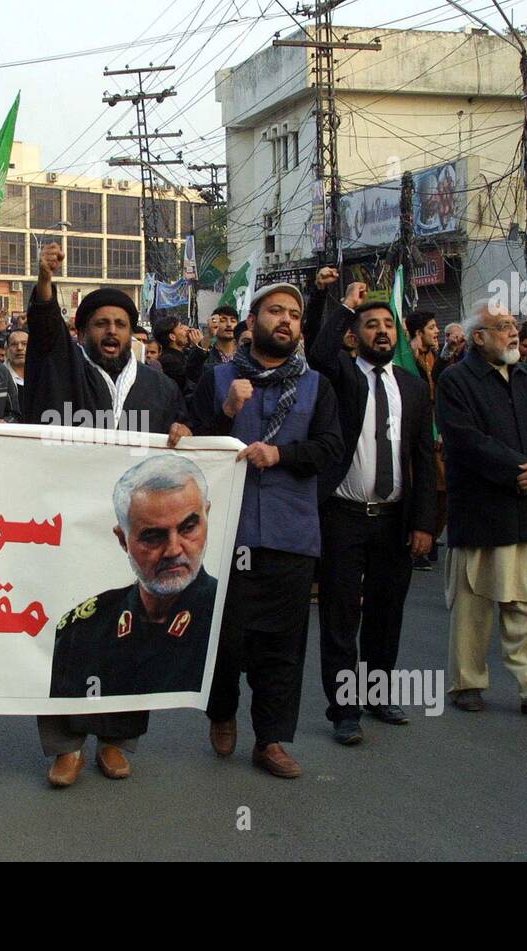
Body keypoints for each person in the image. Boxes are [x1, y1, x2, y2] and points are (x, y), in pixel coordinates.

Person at [23, 240, 187, 787]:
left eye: (120, 323)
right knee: (68, 634)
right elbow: (44, 327)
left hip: (134, 538)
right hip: (68, 528)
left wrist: (186, 433)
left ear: (133, 332)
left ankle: (117, 739)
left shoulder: (159, 386)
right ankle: (66, 744)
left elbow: (183, 437)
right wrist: (45, 282)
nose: (110, 332)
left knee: (132, 636)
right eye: (99, 323)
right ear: (83, 329)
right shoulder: (60, 364)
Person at [184, 281, 344, 778]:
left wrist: (283, 455)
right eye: (276, 311)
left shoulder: (317, 386)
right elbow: (186, 443)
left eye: (294, 315)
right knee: (227, 639)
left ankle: (271, 739)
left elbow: (331, 449)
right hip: (226, 533)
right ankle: (223, 709)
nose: (286, 321)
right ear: (252, 322)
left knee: (283, 645)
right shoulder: (219, 379)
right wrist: (225, 412)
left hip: (289, 534)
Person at [309, 286, 437, 745]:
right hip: (343, 516)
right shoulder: (340, 375)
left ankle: (378, 693)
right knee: (342, 617)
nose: (381, 332)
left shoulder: (413, 385)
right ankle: (344, 710)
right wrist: (343, 305)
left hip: (394, 518)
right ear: (354, 335)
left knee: (386, 612)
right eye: (370, 325)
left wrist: (425, 522)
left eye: (387, 325)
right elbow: (318, 350)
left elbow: (423, 459)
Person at [436, 300, 527, 719]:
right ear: (478, 337)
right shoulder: (456, 381)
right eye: (501, 327)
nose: (512, 333)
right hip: (481, 511)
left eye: (514, 325)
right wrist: (521, 471)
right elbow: (464, 440)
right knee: (473, 603)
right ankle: (467, 682)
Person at [49, 455, 217, 701]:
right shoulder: (85, 629)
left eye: (188, 528)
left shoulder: (224, 613)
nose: (173, 550)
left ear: (207, 516)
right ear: (122, 539)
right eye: (153, 537)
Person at [405, 309, 448, 572]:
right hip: (417, 437)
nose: (436, 332)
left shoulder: (431, 359)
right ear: (418, 332)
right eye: (432, 327)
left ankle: (428, 538)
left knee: (442, 492)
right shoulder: (406, 360)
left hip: (435, 435)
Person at [185, 306, 240, 385]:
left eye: (233, 321)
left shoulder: (245, 354)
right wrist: (209, 335)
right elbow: (193, 373)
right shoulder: (207, 356)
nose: (229, 324)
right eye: (222, 320)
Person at [153, 315, 195, 395]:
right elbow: (190, 379)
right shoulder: (169, 360)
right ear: (172, 337)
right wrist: (198, 348)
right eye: (181, 327)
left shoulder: (184, 354)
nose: (187, 329)